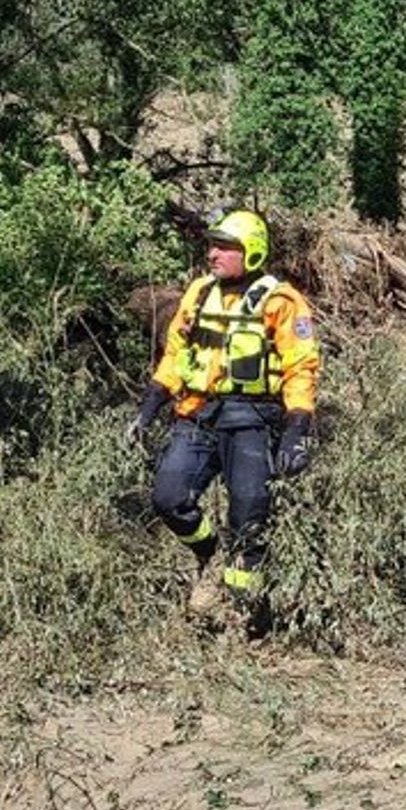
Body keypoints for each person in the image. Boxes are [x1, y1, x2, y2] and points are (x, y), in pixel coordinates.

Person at [125, 209, 321, 622]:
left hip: (253, 418)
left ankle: (243, 610)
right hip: (196, 414)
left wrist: (297, 429)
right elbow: (175, 354)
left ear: (250, 253)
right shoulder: (198, 293)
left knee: (249, 513)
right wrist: (148, 408)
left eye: (224, 247)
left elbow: (301, 366)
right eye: (211, 245)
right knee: (169, 497)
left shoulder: (281, 301)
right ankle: (208, 556)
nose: (212, 253)